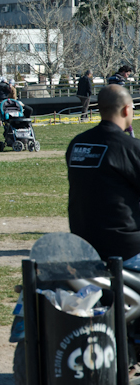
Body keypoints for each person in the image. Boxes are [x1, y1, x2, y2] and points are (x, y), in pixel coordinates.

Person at [67, 85, 140, 264]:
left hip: (84, 245)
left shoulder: (77, 144)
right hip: (125, 249)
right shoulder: (130, 148)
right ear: (126, 109)